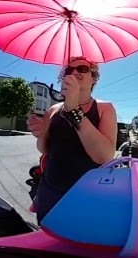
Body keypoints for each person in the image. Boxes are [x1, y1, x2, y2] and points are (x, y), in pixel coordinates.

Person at [27, 56, 117, 223]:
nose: (74, 72)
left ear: (93, 78)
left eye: (82, 69)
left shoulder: (105, 108)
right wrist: (41, 134)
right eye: (69, 70)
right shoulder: (54, 109)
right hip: (50, 190)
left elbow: (104, 156)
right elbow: (44, 149)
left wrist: (74, 109)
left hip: (87, 194)